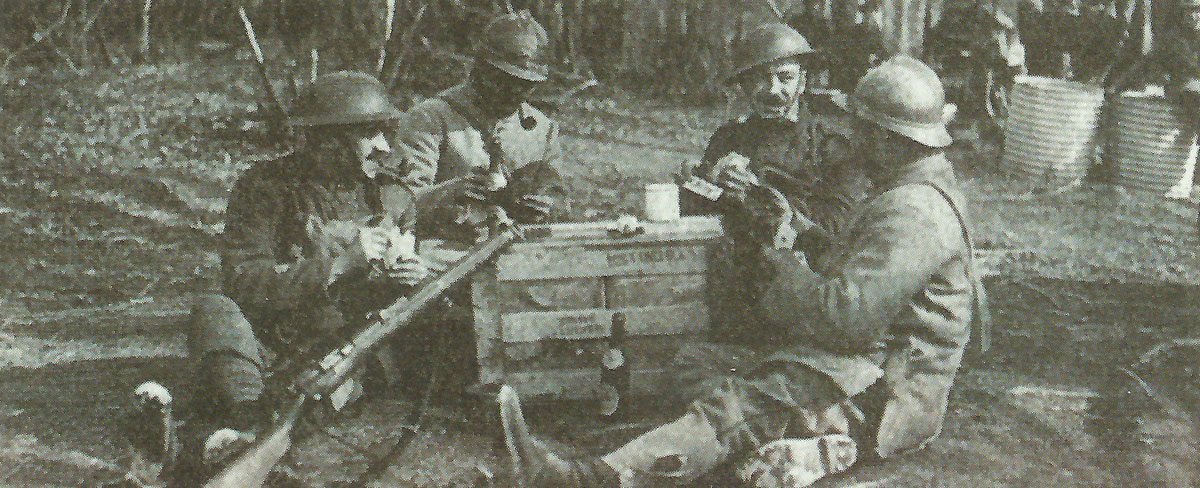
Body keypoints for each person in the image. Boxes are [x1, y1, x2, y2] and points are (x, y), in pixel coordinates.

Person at [497, 56, 989, 488]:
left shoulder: (914, 211)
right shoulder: (908, 191)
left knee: (737, 404)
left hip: (881, 391)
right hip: (859, 364)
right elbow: (859, 271)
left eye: (859, 129)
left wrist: (781, 257)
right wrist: (795, 228)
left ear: (884, 139)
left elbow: (845, 319)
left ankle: (593, 478)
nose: (850, 138)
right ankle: (795, 449)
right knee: (693, 364)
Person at [183, 71, 443, 470]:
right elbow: (243, 280)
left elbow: (400, 303)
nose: (383, 146)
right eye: (369, 134)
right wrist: (338, 265)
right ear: (325, 141)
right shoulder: (264, 188)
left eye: (385, 132)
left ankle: (229, 440)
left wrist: (413, 279)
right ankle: (248, 419)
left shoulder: (393, 196)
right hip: (269, 335)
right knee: (212, 310)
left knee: (350, 375)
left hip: (344, 344)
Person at [681, 21, 866, 345]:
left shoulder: (831, 148)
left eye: (785, 77)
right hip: (733, 295)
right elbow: (692, 212)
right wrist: (703, 182)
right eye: (759, 78)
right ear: (743, 85)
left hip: (802, 293)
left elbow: (835, 226)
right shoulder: (728, 138)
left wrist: (757, 194)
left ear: (803, 81)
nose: (772, 90)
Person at [390, 9, 564, 243]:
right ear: (479, 69)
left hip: (518, 255)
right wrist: (453, 191)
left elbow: (560, 200)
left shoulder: (542, 130)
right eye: (504, 81)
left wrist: (546, 207)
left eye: (526, 85)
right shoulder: (431, 118)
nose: (514, 92)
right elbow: (397, 204)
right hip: (446, 256)